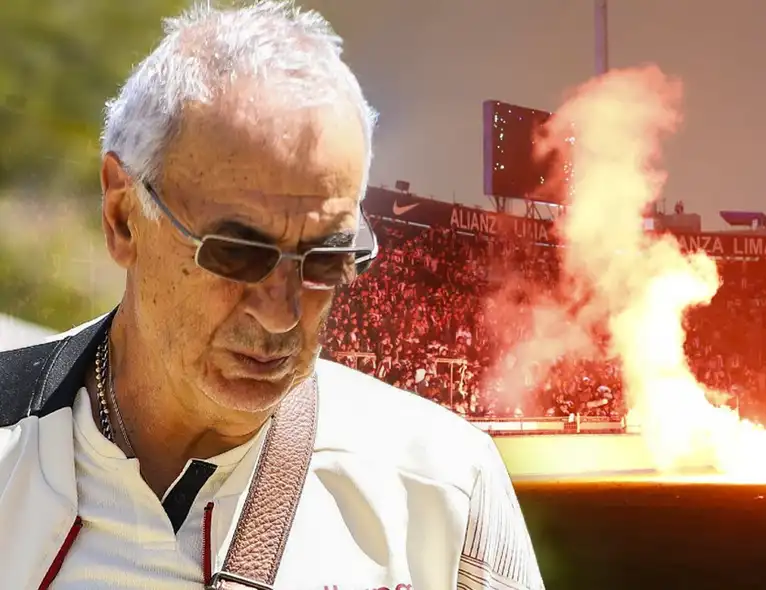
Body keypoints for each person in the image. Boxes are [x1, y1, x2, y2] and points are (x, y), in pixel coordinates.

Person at [0, 3, 544, 589]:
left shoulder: (446, 490)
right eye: (237, 252)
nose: (281, 313)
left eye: (327, 259)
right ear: (123, 216)